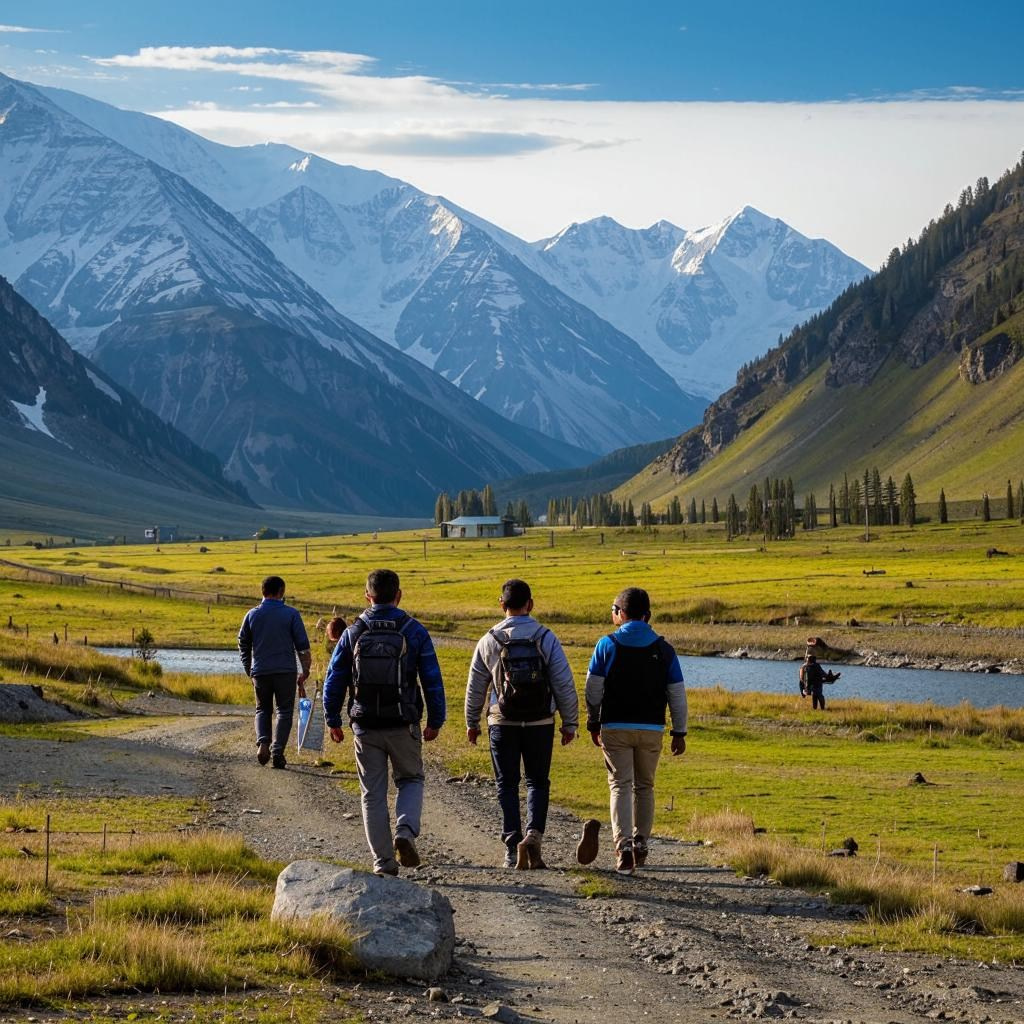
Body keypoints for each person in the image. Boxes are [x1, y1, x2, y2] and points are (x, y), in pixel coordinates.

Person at [323, 569, 445, 876]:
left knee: (372, 793)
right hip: (404, 722)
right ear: (399, 595)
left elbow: (334, 679)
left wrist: (332, 718)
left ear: (368, 596)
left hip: (365, 724)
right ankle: (404, 832)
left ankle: (383, 862)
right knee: (411, 779)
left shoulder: (353, 632)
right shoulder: (414, 631)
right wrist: (435, 719)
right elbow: (432, 679)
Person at [465, 578, 578, 870]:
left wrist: (472, 722)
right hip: (541, 720)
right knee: (537, 781)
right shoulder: (546, 637)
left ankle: (512, 846)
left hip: (502, 721)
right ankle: (533, 836)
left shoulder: (489, 640)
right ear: (531, 604)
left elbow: (476, 686)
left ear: (502, 605)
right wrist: (570, 722)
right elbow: (563, 683)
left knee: (507, 783)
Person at [580, 587, 687, 875]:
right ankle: (641, 843)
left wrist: (593, 721)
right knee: (645, 786)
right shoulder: (664, 649)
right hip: (652, 728)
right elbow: (676, 693)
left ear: (620, 613)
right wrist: (680, 731)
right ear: (647, 615)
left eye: (614, 609)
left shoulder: (607, 644)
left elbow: (593, 688)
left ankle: (623, 846)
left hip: (615, 725)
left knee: (620, 785)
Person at [238, 575, 311, 769]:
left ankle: (263, 742)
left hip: (260, 670)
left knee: (262, 709)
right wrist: (305, 670)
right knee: (284, 711)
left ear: (263, 592)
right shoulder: (291, 614)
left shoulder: (252, 615)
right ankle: (278, 751)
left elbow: (243, 642)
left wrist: (248, 667)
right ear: (281, 592)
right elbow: (302, 646)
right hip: (285, 670)